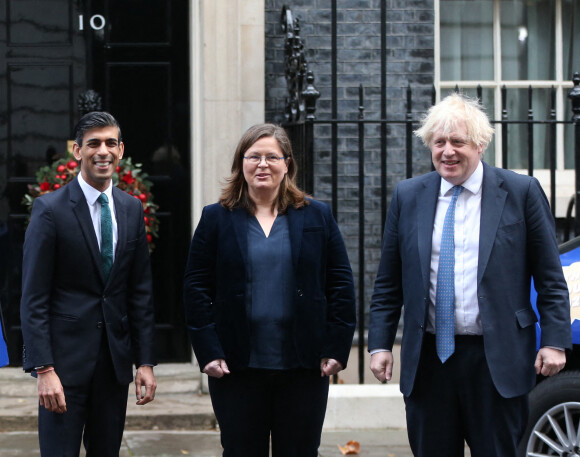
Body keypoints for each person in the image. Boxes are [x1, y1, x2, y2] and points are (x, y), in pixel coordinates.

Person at [368, 93, 572, 457]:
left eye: (457, 142)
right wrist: (380, 344)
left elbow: (549, 275)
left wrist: (554, 340)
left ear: (480, 144)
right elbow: (388, 281)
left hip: (496, 361)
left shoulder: (520, 192)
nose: (447, 151)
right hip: (429, 360)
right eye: (439, 142)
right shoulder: (408, 196)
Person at [183, 123, 356, 457]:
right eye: (254, 156)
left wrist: (336, 347)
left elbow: (340, 283)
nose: (263, 164)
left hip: (303, 366)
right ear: (241, 163)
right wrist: (207, 350)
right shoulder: (217, 218)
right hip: (235, 366)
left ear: (287, 164)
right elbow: (196, 287)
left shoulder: (316, 215)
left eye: (272, 157)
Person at [20, 111, 157, 456]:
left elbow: (139, 292)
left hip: (113, 368)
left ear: (121, 150)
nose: (103, 151)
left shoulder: (131, 209)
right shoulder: (49, 209)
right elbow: (34, 297)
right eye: (93, 143)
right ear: (77, 151)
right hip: (63, 368)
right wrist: (44, 368)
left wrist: (145, 362)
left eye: (111, 143)